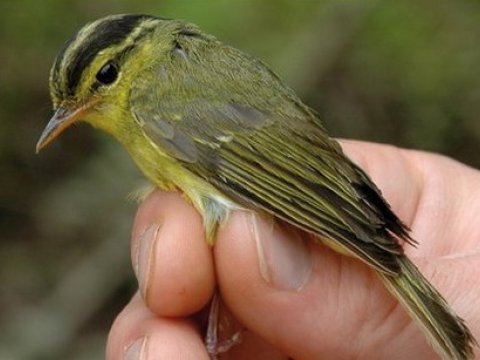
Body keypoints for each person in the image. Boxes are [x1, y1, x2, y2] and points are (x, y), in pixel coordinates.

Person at [106, 140, 480, 359]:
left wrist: (355, 227)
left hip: (300, 193)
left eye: (104, 79)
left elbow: (259, 171)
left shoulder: (151, 105)